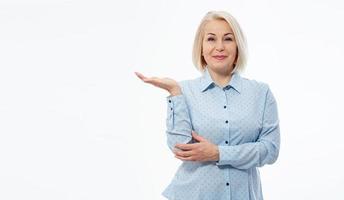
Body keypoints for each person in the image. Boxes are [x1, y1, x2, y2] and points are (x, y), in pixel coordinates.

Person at [135, 10, 280, 200]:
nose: (219, 47)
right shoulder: (184, 91)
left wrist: (218, 153)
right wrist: (175, 94)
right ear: (201, 47)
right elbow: (180, 148)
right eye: (211, 39)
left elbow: (270, 150)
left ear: (238, 46)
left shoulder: (261, 93)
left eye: (228, 39)